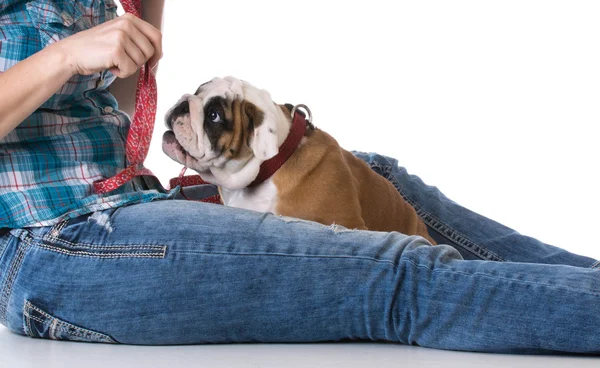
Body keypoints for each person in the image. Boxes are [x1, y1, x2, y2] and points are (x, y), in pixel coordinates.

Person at [1, 0, 599, 354]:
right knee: (386, 269)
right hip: (52, 241)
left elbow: (124, 94)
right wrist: (61, 56)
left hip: (131, 202)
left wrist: (140, 18)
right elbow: (67, 64)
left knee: (364, 175)